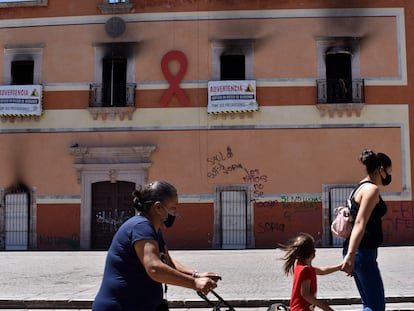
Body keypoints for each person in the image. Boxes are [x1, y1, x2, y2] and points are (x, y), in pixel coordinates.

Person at [92, 180, 221, 311]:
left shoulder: (153, 229)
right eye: (173, 208)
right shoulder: (141, 227)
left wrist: (196, 275)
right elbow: (154, 267)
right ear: (158, 207)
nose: (175, 213)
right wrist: (194, 283)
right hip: (121, 306)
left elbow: (166, 262)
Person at [341, 149, 392, 311]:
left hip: (358, 251)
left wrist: (350, 253)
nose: (389, 176)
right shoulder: (371, 190)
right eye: (388, 171)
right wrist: (350, 254)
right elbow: (360, 223)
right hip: (362, 251)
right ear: (381, 170)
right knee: (375, 306)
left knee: (369, 303)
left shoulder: (359, 187)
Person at [280, 233, 342, 311]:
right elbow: (305, 294)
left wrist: (340, 267)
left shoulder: (301, 266)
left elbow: (322, 270)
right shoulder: (306, 270)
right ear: (312, 252)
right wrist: (325, 307)